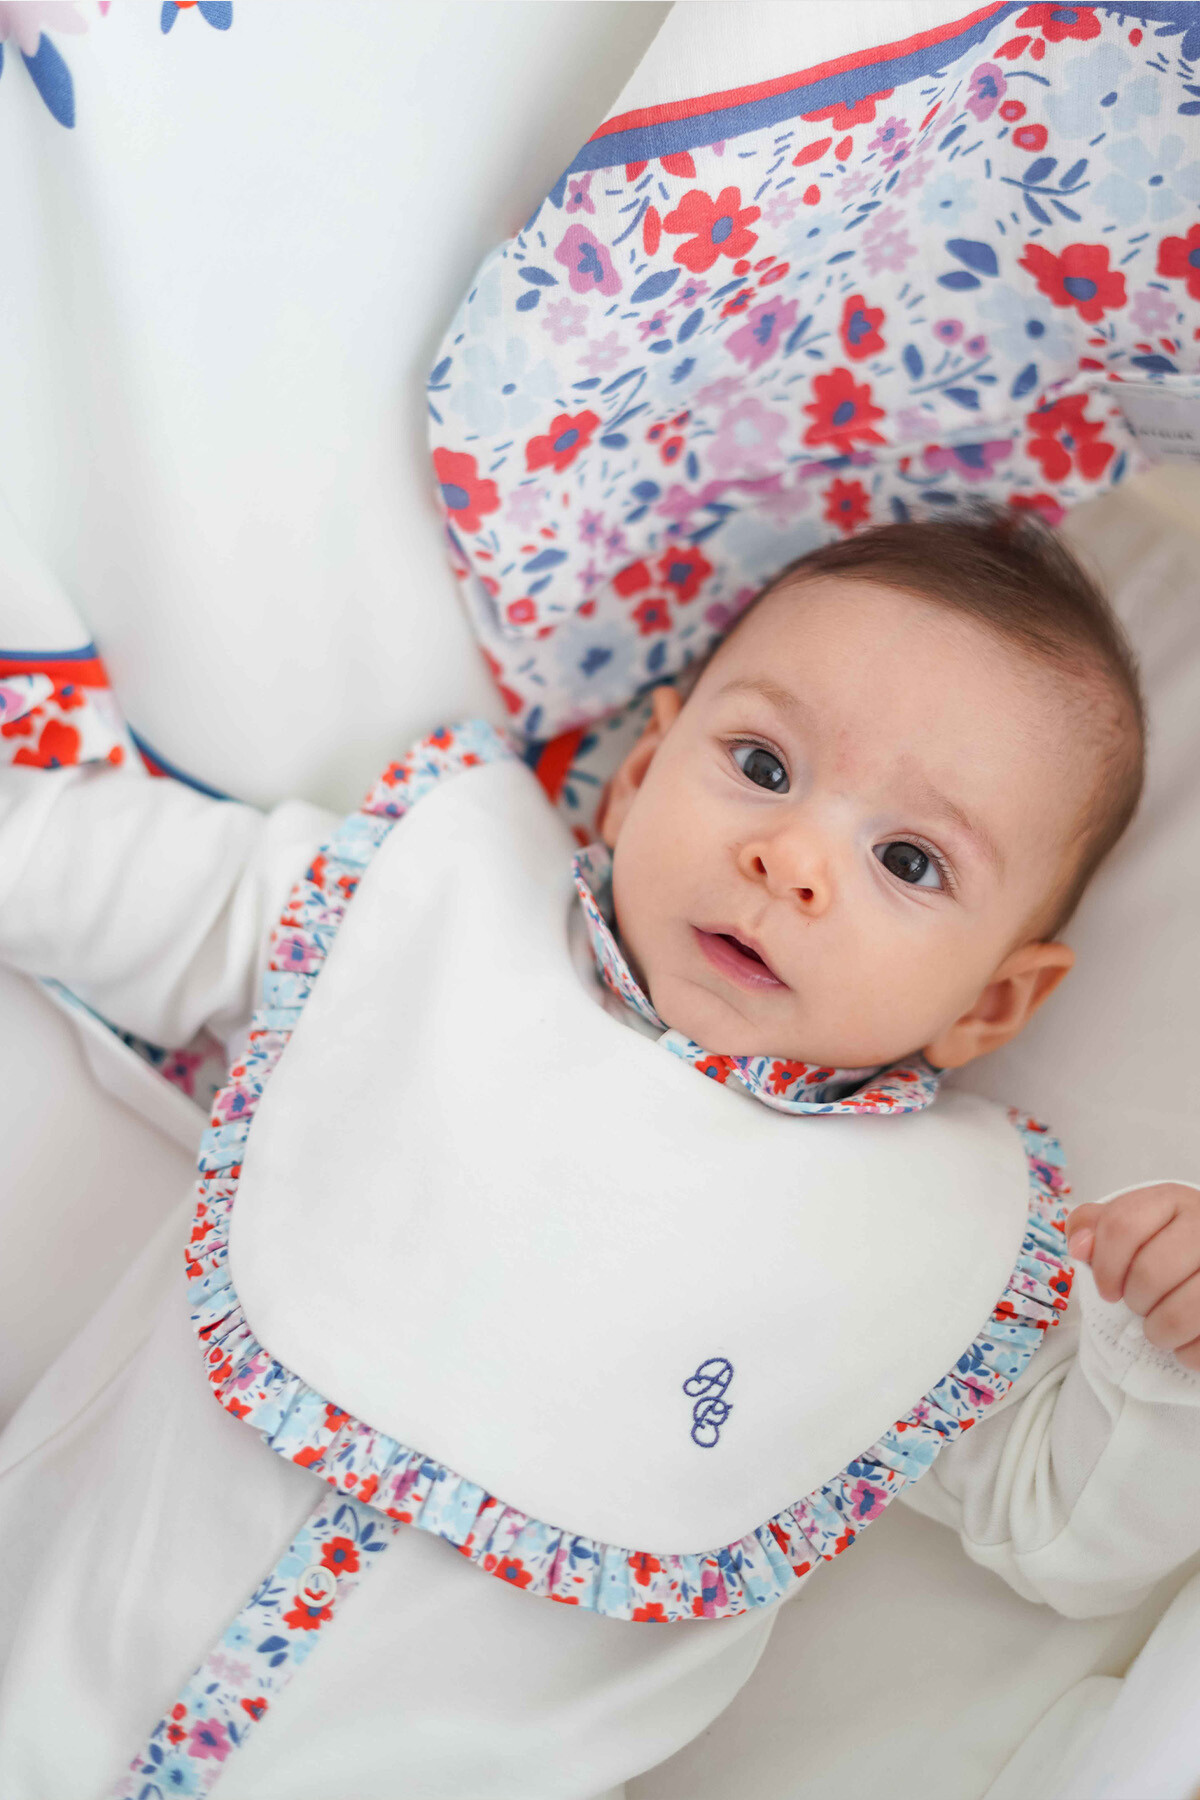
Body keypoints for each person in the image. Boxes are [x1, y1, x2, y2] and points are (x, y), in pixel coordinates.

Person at [1, 512, 1198, 1800]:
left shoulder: (944, 1248)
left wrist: (1159, 1356)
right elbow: (155, 892)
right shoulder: (434, 907)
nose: (787, 858)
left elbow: (1067, 1535)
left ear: (993, 1008)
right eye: (762, 762)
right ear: (636, 779)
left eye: (908, 860)